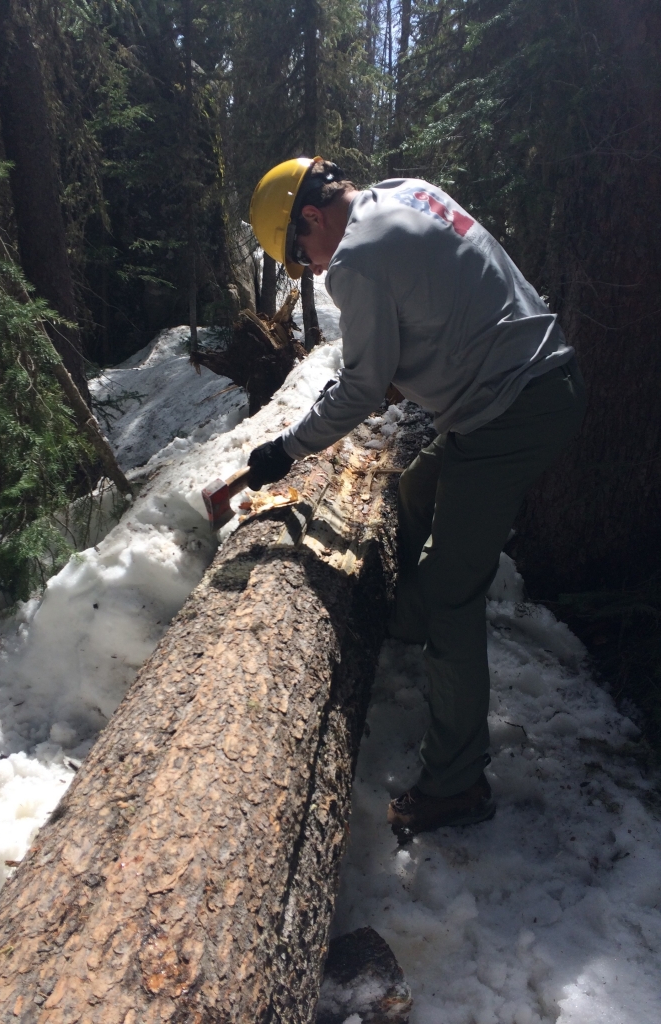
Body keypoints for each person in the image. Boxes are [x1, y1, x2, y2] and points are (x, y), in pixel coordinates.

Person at [246, 156, 586, 837]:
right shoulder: (408, 192)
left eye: (301, 255)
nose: (310, 269)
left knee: (451, 591)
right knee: (413, 484)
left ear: (312, 217)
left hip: (507, 412)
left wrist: (287, 449)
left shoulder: (355, 261)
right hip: (538, 382)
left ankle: (456, 784)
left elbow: (363, 388)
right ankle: (402, 622)